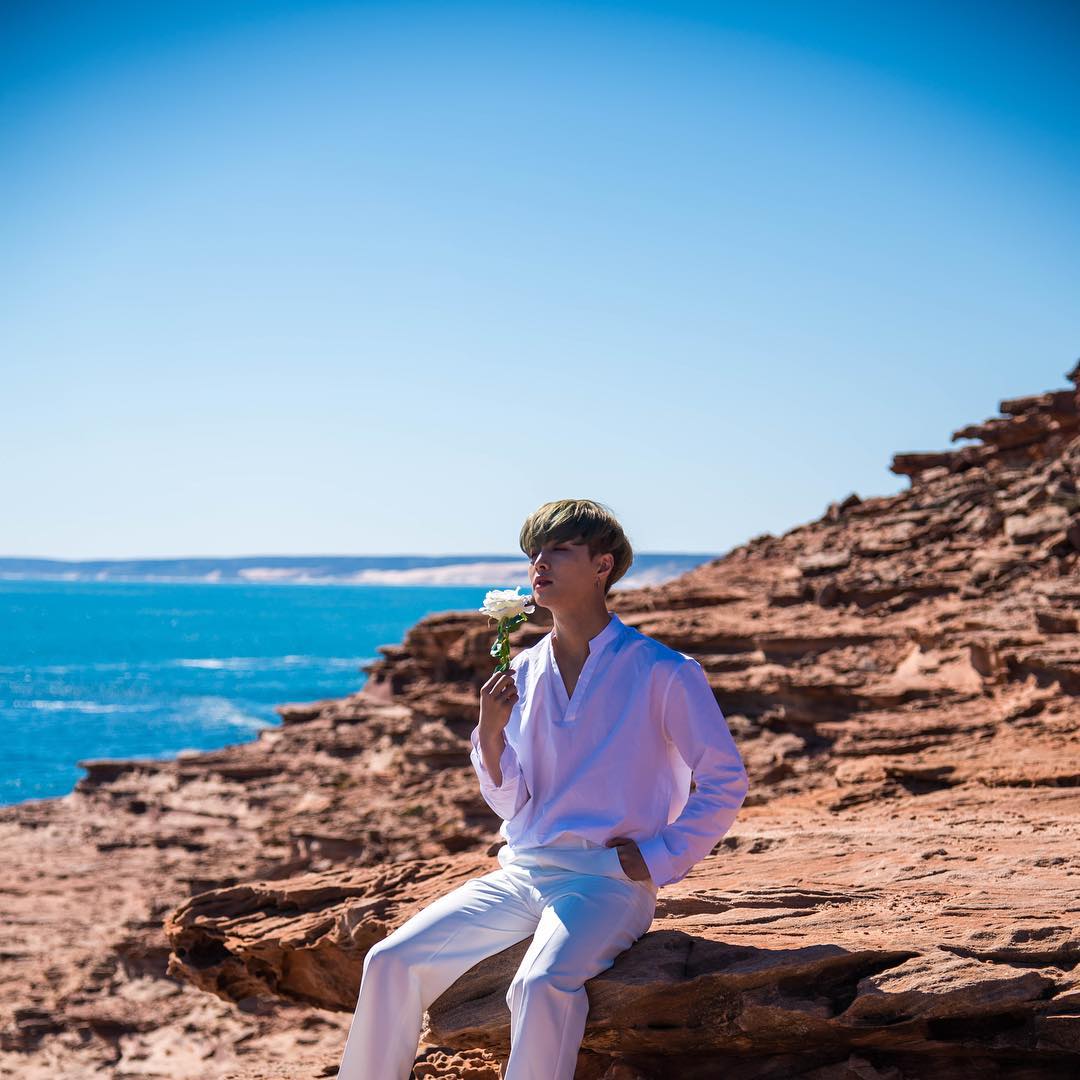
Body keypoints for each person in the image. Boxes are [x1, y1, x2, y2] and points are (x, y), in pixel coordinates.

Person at [336, 498, 749, 1080]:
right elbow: (513, 800)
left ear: (602, 565)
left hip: (606, 881)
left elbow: (726, 779)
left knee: (539, 983)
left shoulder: (663, 670)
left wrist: (661, 856)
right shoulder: (523, 671)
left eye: (558, 550)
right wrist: (489, 732)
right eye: (534, 553)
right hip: (523, 871)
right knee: (389, 961)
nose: (539, 564)